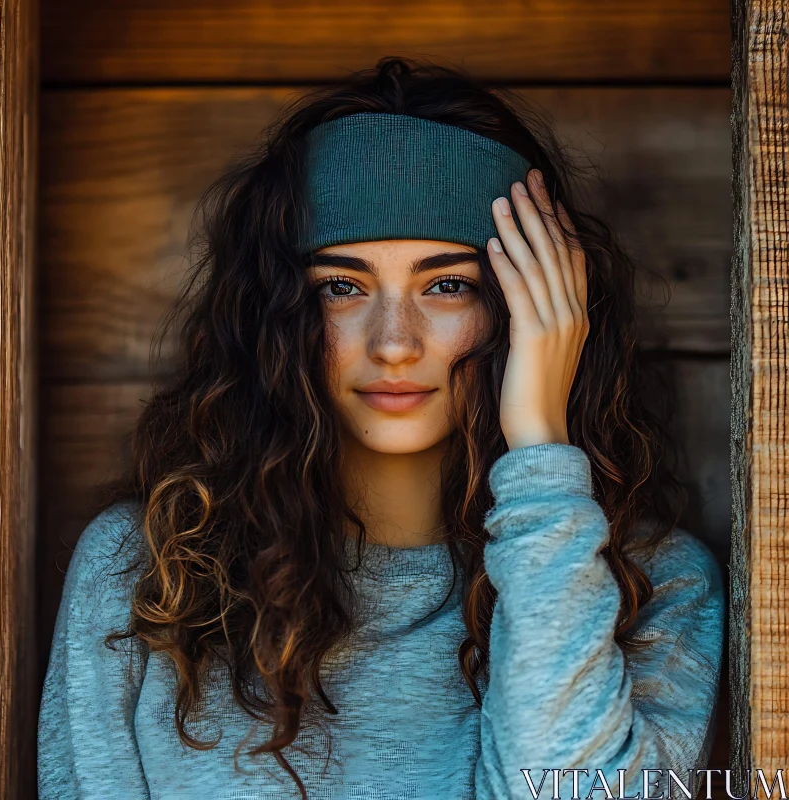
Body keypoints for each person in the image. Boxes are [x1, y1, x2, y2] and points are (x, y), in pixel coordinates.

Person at [37, 57, 726, 800]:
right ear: (279, 317)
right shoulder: (150, 575)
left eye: (448, 285)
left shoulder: (651, 587)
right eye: (341, 286)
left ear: (540, 306)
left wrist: (540, 451)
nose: (393, 342)